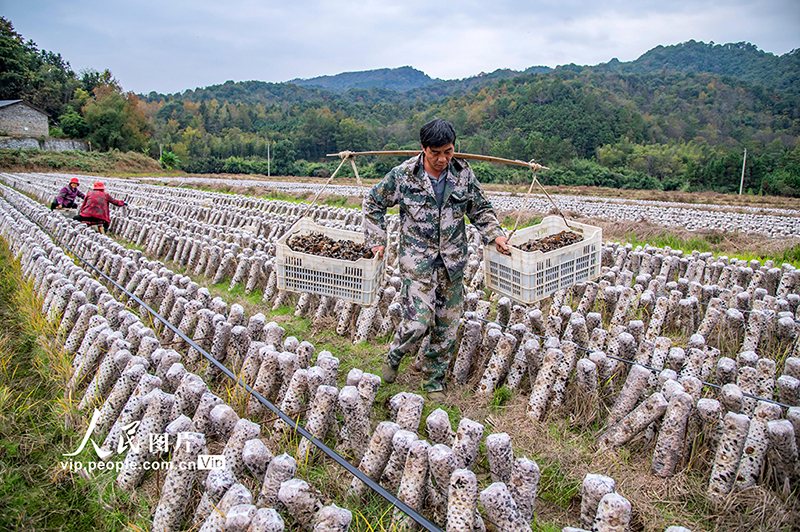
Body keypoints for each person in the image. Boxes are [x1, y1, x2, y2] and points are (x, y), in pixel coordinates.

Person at [363, 118, 510, 401]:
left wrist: (495, 235)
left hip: (452, 261)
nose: (443, 159)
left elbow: (480, 209)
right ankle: (395, 354)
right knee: (418, 322)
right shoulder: (404, 175)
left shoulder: (463, 174)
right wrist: (376, 239)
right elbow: (373, 203)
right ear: (423, 148)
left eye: (448, 151)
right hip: (417, 261)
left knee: (447, 325)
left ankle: (434, 380)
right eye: (436, 153)